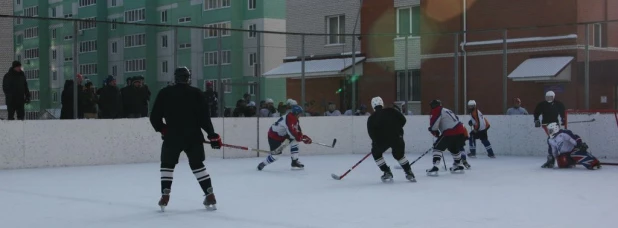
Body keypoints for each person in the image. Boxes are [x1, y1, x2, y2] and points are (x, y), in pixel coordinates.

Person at [150, 67, 222, 212]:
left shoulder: (165, 93)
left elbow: (154, 117)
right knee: (198, 166)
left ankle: (165, 195)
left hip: (173, 136)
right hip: (193, 136)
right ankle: (210, 194)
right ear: (188, 78)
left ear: (175, 77)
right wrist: (212, 135)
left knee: (167, 165)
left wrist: (163, 129)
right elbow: (204, 118)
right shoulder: (196, 93)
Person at [367, 96, 415, 182]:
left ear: (372, 106)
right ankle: (409, 172)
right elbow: (403, 120)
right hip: (397, 137)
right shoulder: (392, 110)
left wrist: (375, 142)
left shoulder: (371, 118)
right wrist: (397, 129)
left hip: (382, 141)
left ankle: (386, 172)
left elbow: (371, 133)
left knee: (376, 154)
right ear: (382, 103)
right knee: (399, 155)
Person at [257, 105, 312, 171]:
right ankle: (263, 163)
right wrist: (300, 138)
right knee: (276, 156)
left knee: (295, 141)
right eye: (300, 113)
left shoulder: (294, 119)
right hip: (274, 137)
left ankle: (294, 162)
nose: (300, 115)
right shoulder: (290, 119)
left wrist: (303, 137)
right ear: (296, 113)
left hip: (283, 135)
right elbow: (292, 133)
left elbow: (297, 131)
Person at [426, 99, 469, 175]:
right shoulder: (446, 110)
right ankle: (458, 165)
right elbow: (456, 119)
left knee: (437, 147)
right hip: (460, 131)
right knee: (453, 148)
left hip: (450, 132)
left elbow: (435, 122)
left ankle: (435, 166)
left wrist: (433, 130)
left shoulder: (436, 110)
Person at [533, 91, 566, 158]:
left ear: (553, 97)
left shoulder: (558, 104)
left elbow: (563, 112)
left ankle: (555, 153)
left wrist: (563, 119)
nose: (548, 99)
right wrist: (536, 119)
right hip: (546, 124)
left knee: (555, 138)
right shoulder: (542, 104)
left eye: (550, 97)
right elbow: (536, 112)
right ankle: (552, 153)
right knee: (552, 137)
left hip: (555, 123)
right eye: (547, 97)